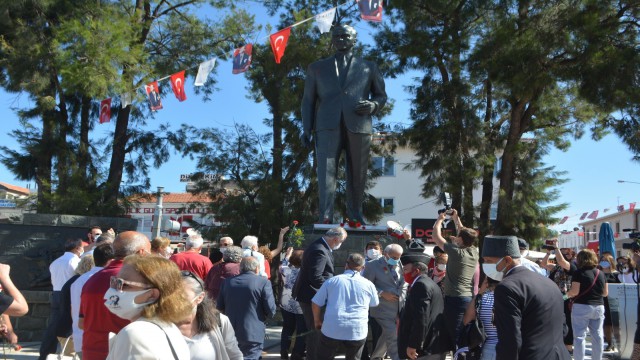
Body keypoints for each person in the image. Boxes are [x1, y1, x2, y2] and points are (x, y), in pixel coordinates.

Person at [301, 23, 387, 224]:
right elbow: (308, 100)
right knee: (325, 173)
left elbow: (381, 96)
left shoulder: (369, 67)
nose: (341, 39)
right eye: (337, 36)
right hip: (326, 124)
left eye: (345, 36)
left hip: (359, 124)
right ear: (332, 39)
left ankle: (355, 214)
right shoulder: (317, 68)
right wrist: (306, 128)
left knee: (358, 173)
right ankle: (325, 214)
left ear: (354, 40)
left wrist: (373, 105)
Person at [482, 235, 570, 360]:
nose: (485, 265)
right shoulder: (549, 282)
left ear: (507, 260)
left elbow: (510, 339)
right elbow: (563, 329)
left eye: (488, 261)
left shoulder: (507, 287)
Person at [80, 231, 151, 360]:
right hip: (127, 352)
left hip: (93, 351)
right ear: (141, 252)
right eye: (149, 252)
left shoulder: (91, 280)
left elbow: (83, 321)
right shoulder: (140, 280)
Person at [105, 256, 191, 360]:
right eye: (114, 281)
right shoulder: (170, 327)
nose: (114, 290)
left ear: (152, 295)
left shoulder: (135, 333)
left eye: (123, 284)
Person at [292, 226, 347, 360]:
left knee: (316, 331)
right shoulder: (319, 250)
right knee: (316, 331)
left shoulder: (320, 246)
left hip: (312, 295)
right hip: (313, 297)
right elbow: (316, 277)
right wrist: (332, 291)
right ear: (335, 239)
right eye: (341, 241)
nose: (340, 244)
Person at [311, 253, 379, 360]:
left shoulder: (332, 281)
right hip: (357, 329)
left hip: (332, 327)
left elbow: (316, 302)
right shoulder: (369, 284)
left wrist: (317, 321)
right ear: (363, 268)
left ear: (346, 265)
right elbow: (374, 303)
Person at [432, 209, 479, 352]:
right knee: (461, 333)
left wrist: (440, 219)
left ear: (461, 240)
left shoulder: (456, 252)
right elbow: (463, 231)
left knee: (457, 336)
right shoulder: (474, 250)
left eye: (458, 236)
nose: (455, 236)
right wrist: (455, 217)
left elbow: (436, 236)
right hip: (467, 298)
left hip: (455, 299)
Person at [217, 257, 276, 359]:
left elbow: (219, 307)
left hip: (230, 329)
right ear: (257, 269)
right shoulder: (263, 282)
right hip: (253, 330)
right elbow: (270, 309)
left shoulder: (227, 282)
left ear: (240, 268)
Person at [179, 271, 243, 360]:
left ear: (200, 298)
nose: (175, 301)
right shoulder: (159, 325)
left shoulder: (218, 321)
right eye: (171, 296)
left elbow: (234, 355)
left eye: (182, 297)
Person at [39, 238, 83, 360]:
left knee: (53, 326)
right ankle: (68, 354)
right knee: (70, 325)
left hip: (56, 294)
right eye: (82, 247)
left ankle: (45, 354)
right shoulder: (75, 262)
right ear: (77, 248)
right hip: (68, 294)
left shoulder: (55, 262)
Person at [397, 250, 446, 360]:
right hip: (432, 346)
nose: (403, 273)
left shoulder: (421, 286)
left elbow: (421, 318)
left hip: (423, 350)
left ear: (416, 271)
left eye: (405, 270)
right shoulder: (430, 283)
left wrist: (414, 345)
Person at [362, 243, 407, 360]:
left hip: (398, 307)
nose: (397, 260)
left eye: (399, 257)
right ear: (386, 254)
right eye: (394, 257)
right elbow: (365, 285)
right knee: (392, 336)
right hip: (381, 308)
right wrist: (381, 293)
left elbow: (403, 282)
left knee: (385, 336)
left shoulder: (401, 264)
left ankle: (376, 357)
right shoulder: (372, 265)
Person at [71, 243, 115, 357]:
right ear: (111, 260)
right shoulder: (107, 280)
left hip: (81, 338)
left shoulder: (78, 281)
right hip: (101, 341)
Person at [566, 249, 608, 360]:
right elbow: (605, 293)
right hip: (599, 306)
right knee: (598, 336)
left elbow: (574, 292)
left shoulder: (578, 273)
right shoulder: (601, 273)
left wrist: (564, 296)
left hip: (582, 306)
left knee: (579, 336)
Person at [52, 255, 95, 359]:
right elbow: (73, 308)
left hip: (65, 327)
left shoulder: (73, 280)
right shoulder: (80, 282)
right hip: (70, 329)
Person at [543, 241, 577, 353]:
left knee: (567, 321)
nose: (562, 255)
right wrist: (548, 253)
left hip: (566, 298)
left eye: (566, 254)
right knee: (554, 320)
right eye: (561, 252)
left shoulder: (572, 267)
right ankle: (558, 342)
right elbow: (543, 264)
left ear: (572, 256)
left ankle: (568, 345)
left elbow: (562, 261)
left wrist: (556, 248)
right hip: (554, 297)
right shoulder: (556, 267)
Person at [462, 275, 499, 360]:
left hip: (488, 348)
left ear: (486, 283)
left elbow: (466, 320)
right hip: (508, 348)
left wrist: (480, 293)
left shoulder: (482, 299)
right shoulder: (511, 299)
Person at [279, 247, 307, 360]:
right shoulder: (306, 272)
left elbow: (283, 264)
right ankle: (296, 354)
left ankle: (284, 350)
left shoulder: (285, 269)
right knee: (302, 330)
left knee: (287, 327)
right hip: (301, 304)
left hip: (286, 303)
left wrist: (287, 255)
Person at [598, 252, 619, 352]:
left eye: (605, 261)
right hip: (602, 301)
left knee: (616, 324)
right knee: (606, 324)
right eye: (602, 260)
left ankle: (618, 343)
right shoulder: (598, 273)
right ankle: (610, 343)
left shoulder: (617, 274)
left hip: (615, 301)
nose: (603, 262)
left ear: (610, 262)